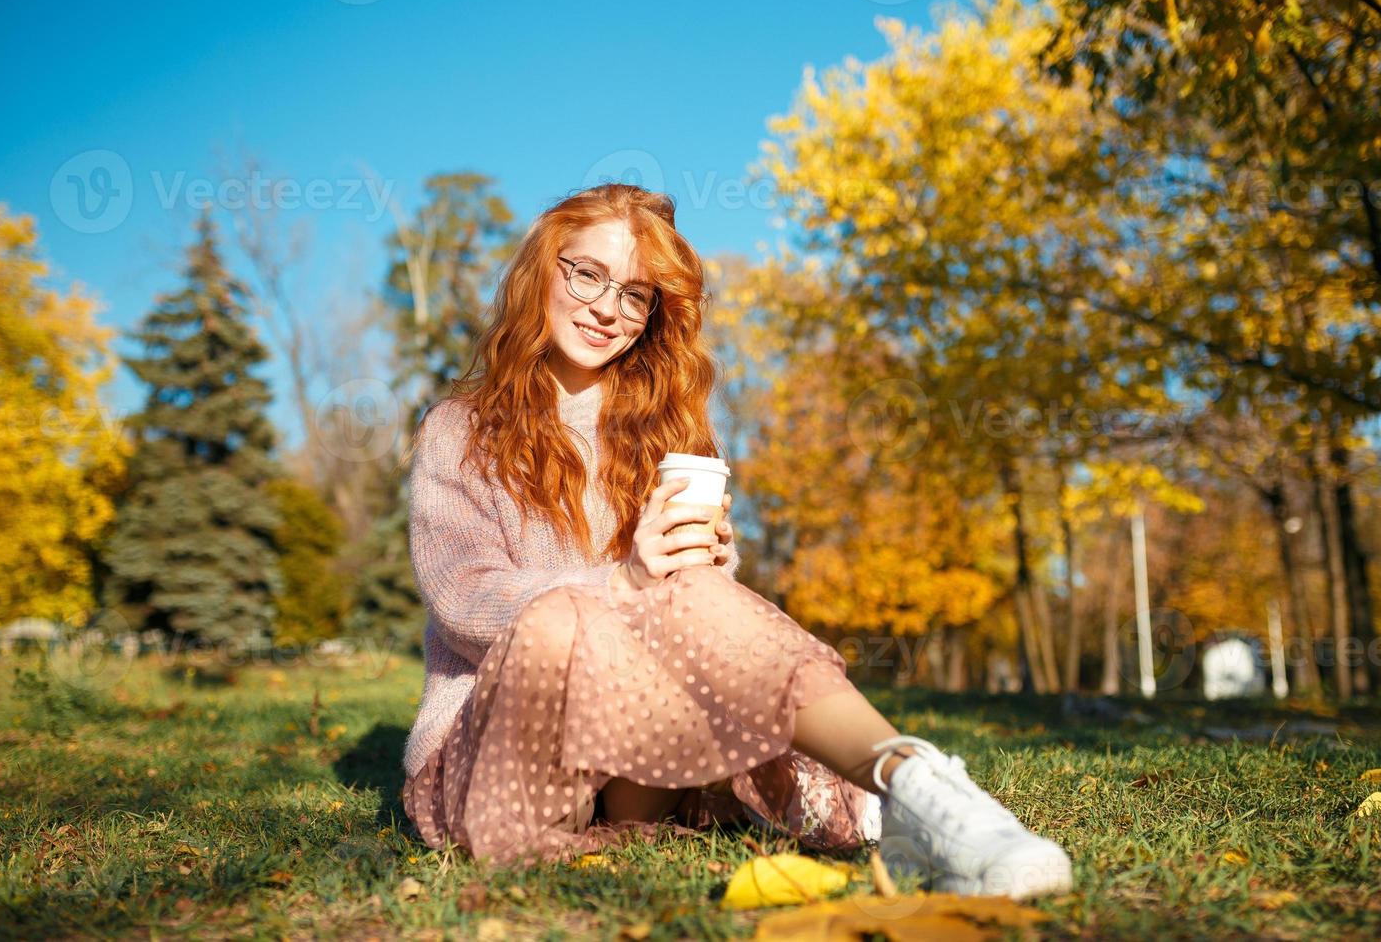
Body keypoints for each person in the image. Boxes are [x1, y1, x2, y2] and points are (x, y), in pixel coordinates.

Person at [399, 182, 1072, 899]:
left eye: (636, 294)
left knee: (692, 590)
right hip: (501, 758)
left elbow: (699, 609)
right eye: (587, 273)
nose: (607, 307)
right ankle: (908, 800)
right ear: (542, 269)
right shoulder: (459, 430)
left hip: (633, 772)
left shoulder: (664, 432)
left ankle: (924, 792)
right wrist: (620, 582)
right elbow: (465, 600)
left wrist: (712, 563)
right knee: (563, 616)